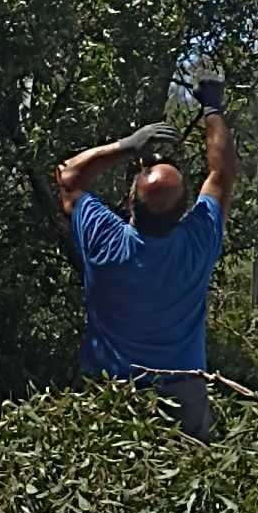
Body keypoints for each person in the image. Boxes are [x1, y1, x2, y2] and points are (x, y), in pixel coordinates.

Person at [55, 73, 237, 441]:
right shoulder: (196, 243)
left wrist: (129, 145)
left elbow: (68, 176)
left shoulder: (104, 240)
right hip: (182, 396)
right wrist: (212, 107)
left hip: (109, 394)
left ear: (129, 203)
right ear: (185, 212)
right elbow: (222, 173)